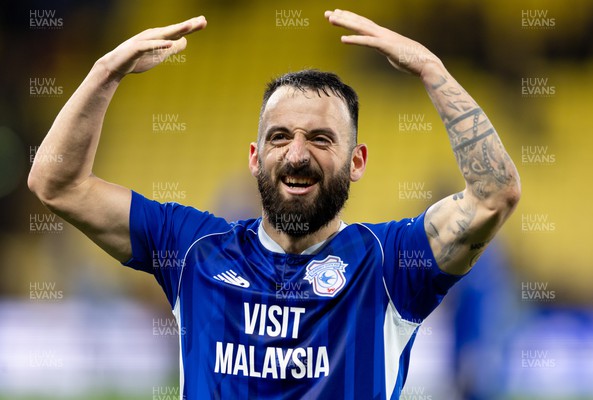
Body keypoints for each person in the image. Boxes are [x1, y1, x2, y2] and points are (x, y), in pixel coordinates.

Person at [28, 9, 521, 400]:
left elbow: (494, 194)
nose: (298, 154)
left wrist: (432, 72)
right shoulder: (193, 248)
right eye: (280, 137)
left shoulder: (390, 262)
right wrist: (104, 73)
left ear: (357, 162)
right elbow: (57, 183)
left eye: (322, 139)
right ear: (255, 156)